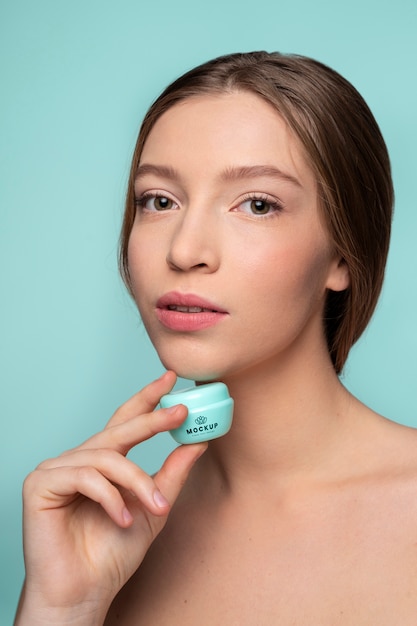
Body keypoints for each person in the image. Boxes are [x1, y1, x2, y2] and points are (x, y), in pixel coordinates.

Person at [15, 51, 417, 625]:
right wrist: (62, 607)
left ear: (343, 254)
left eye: (256, 204)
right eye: (159, 201)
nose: (184, 251)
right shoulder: (110, 538)